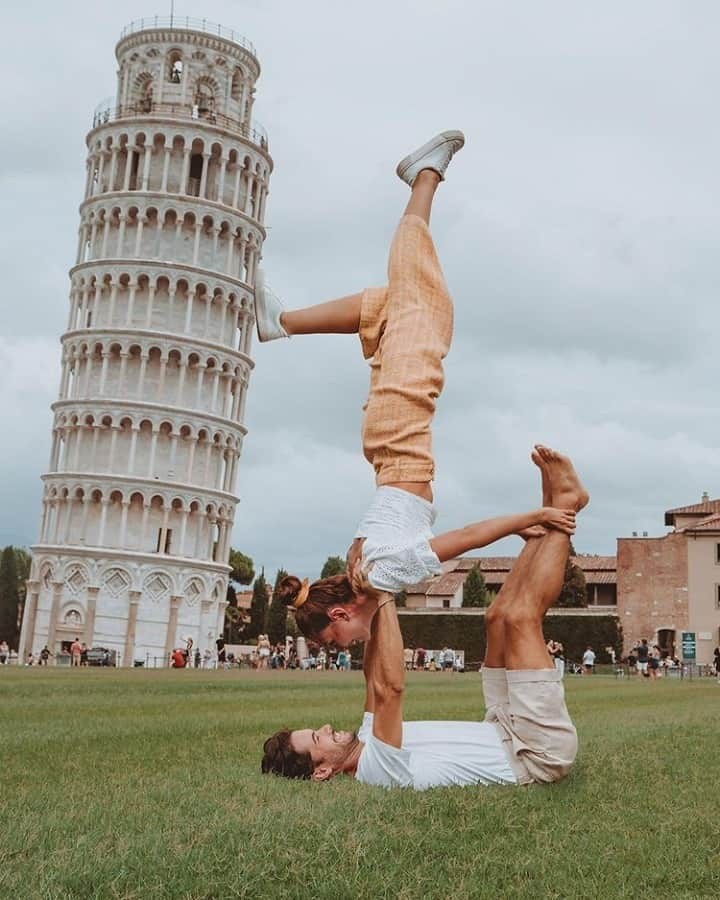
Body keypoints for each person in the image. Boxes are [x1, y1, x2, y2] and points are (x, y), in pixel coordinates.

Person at [254, 131, 577, 647]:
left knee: (421, 298)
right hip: (389, 440)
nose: (351, 646)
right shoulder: (361, 566)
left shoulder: (382, 575)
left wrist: (530, 518)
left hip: (401, 433)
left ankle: (424, 176)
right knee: (388, 307)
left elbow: (463, 540)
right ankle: (281, 321)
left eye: (339, 641)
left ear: (340, 613)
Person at [261, 447, 587, 790]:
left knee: (496, 618)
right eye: (317, 738)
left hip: (503, 725)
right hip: (536, 753)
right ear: (322, 771)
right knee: (520, 618)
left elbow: (373, 674)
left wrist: (368, 599)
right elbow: (390, 688)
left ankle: (550, 506)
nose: (326, 728)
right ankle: (565, 504)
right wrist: (383, 593)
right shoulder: (376, 769)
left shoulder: (369, 736)